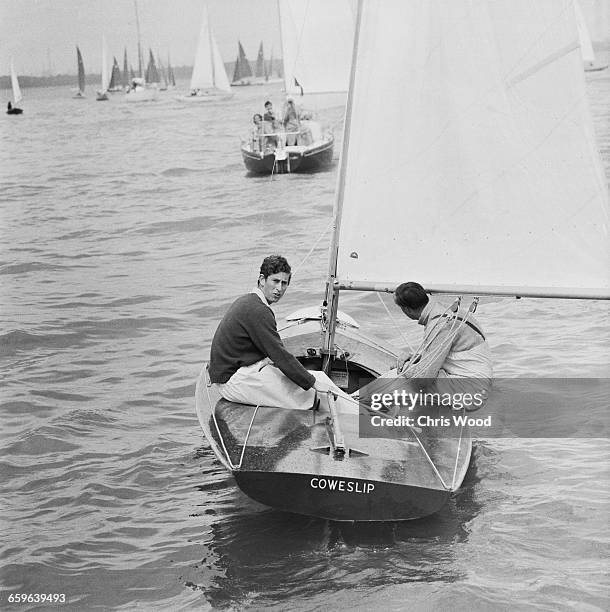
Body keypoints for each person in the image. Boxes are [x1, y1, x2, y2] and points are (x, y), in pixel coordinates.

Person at [209, 255, 350, 410]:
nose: (279, 288)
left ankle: (356, 410)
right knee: (313, 393)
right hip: (234, 380)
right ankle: (360, 419)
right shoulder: (258, 310)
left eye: (284, 283)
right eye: (275, 281)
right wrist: (313, 383)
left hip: (239, 372)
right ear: (262, 280)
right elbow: (279, 354)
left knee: (320, 377)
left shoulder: (249, 301)